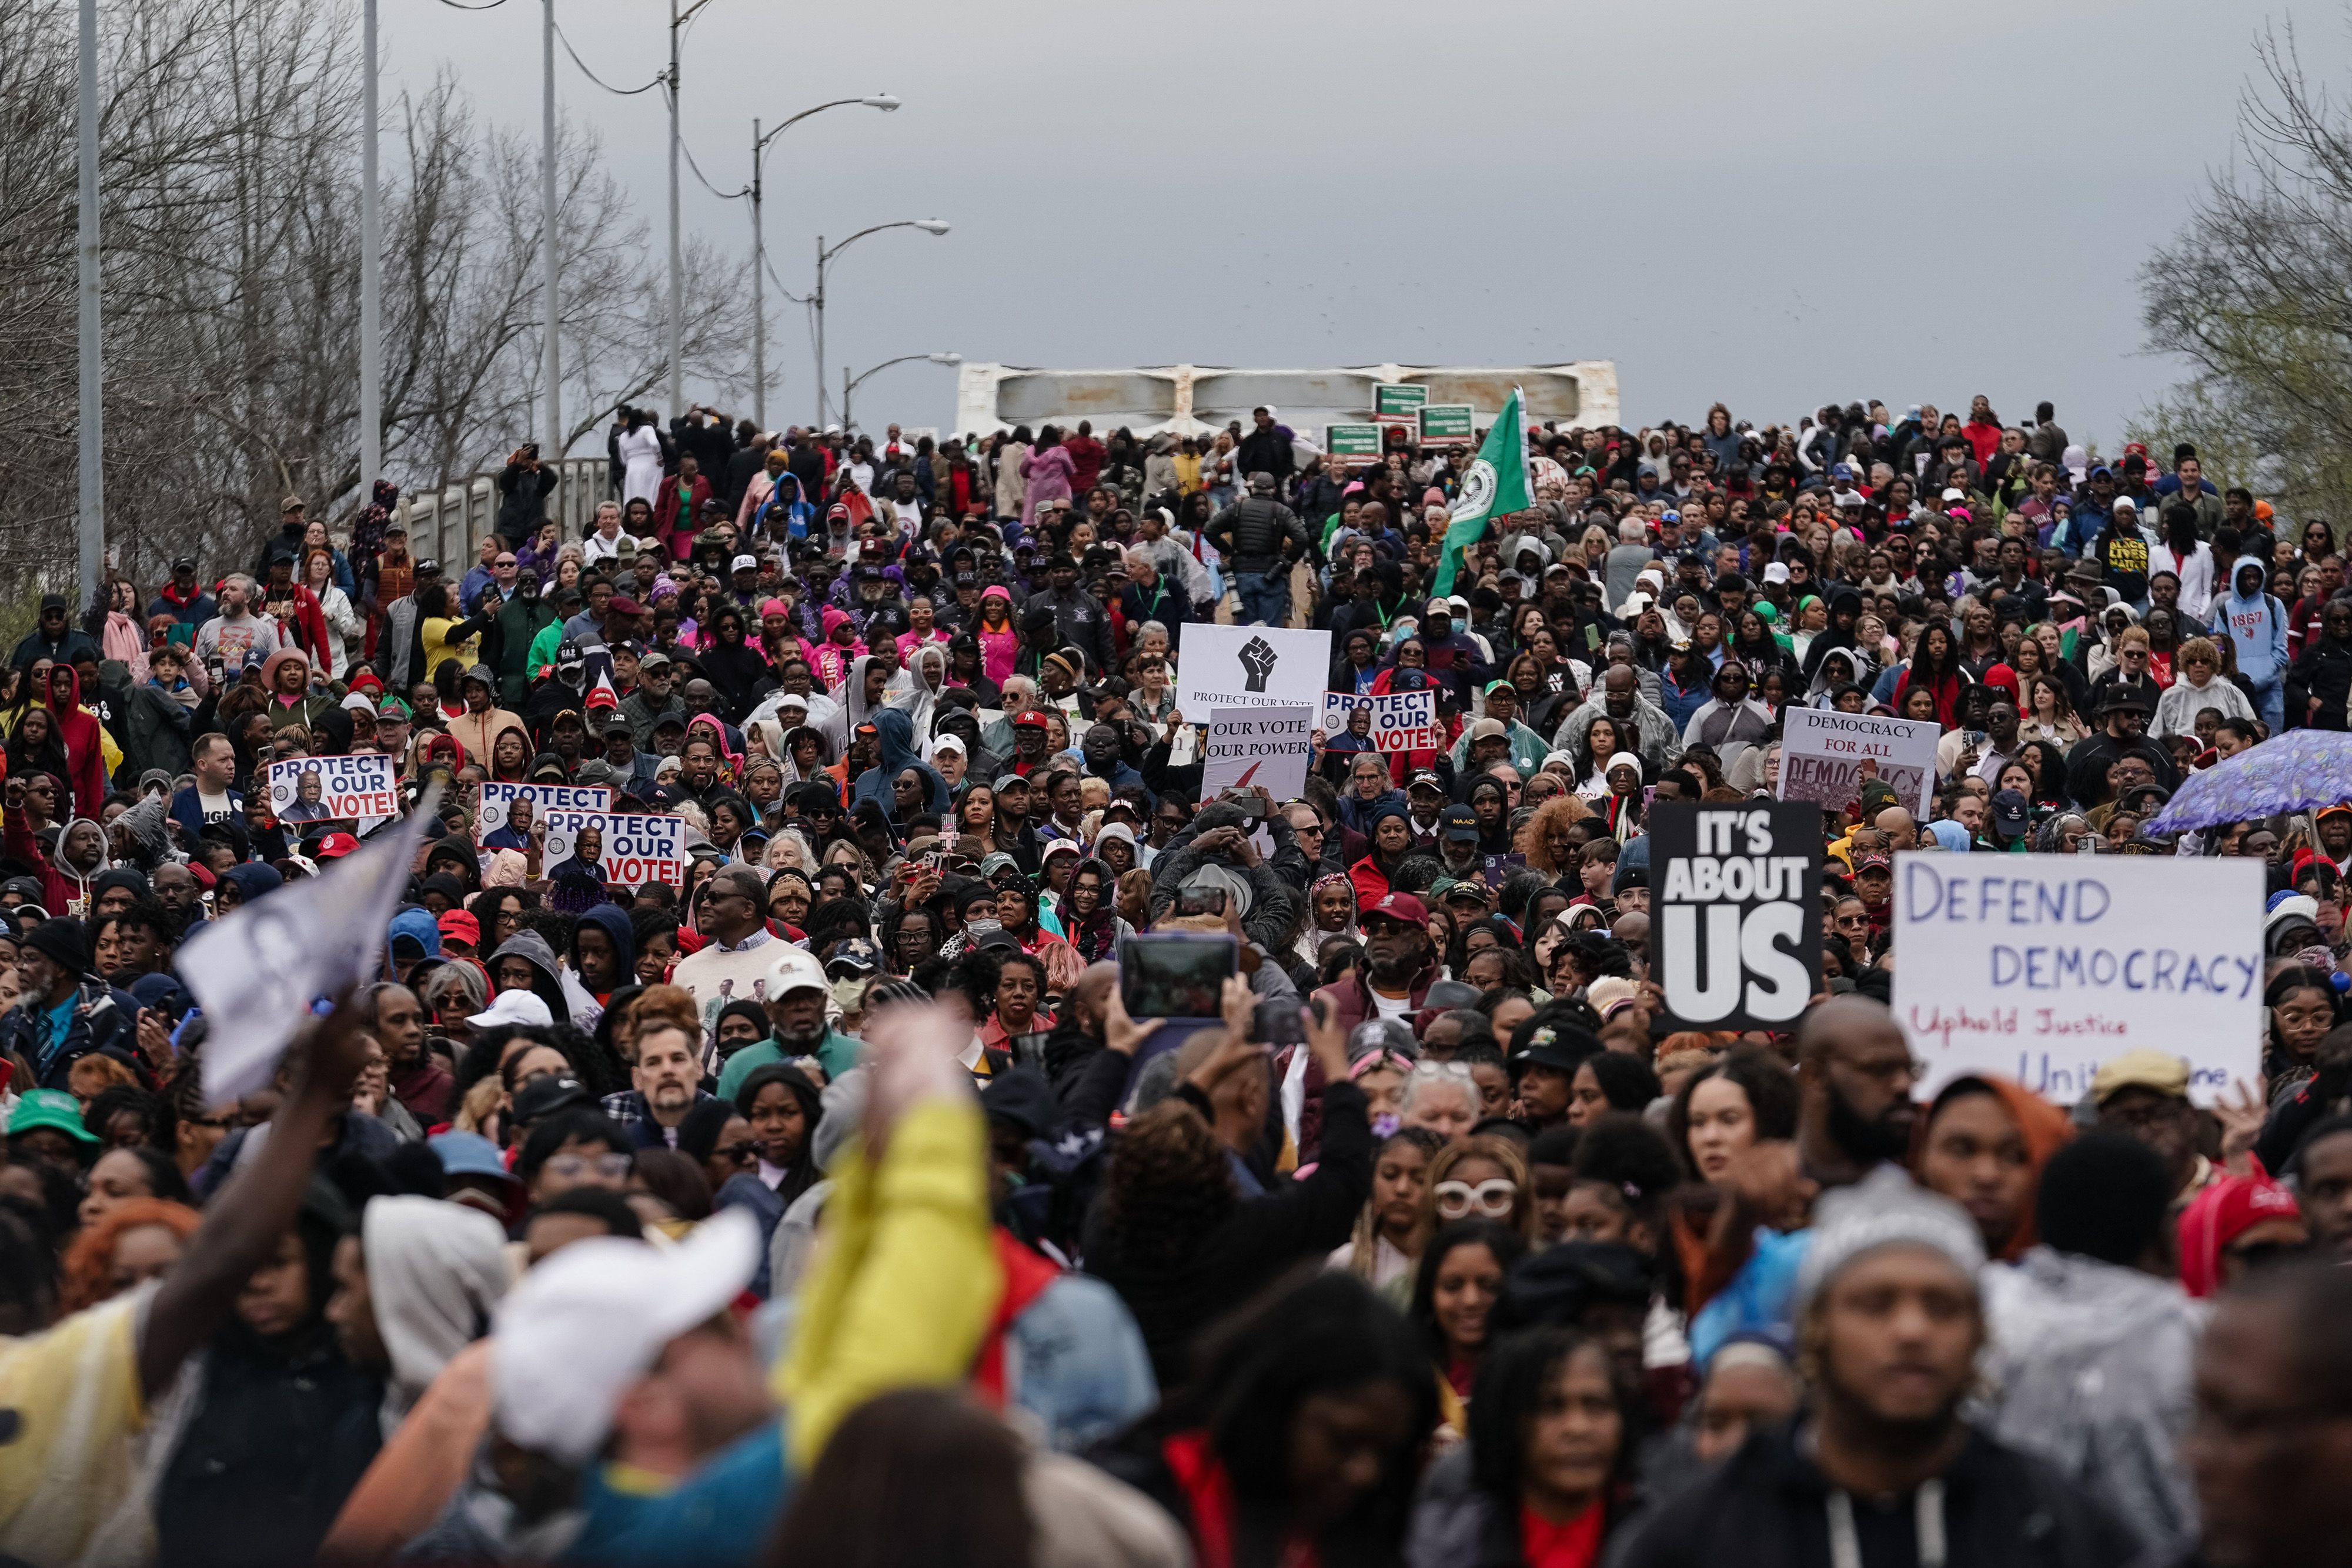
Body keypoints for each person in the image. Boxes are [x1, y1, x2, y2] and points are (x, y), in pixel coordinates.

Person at [1616, 1168, 2139, 1568]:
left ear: (1979, 1334)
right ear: (1817, 1330)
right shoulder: (1699, 1535)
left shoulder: (2060, 1527)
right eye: (1876, 1304)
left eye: (1942, 1306)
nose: (1912, 1330)